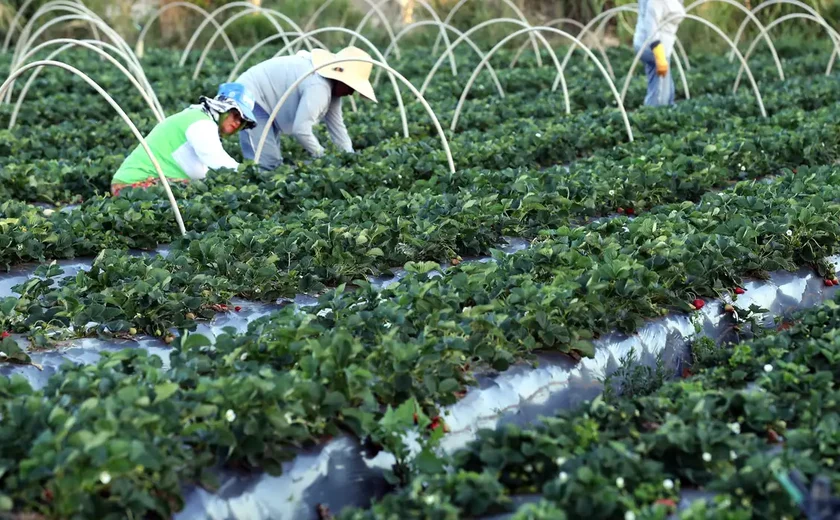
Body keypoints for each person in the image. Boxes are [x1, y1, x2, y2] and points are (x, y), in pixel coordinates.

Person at [235, 46, 377, 171]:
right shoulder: (318, 87)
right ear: (340, 79)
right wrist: (323, 156)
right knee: (265, 164)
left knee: (271, 161)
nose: (351, 93)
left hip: (267, 100)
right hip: (250, 96)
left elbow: (337, 127)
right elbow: (301, 130)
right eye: (351, 86)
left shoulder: (332, 89)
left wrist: (349, 157)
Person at [110, 83, 257, 196]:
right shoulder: (201, 123)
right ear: (223, 109)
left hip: (136, 184)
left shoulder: (199, 117)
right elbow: (217, 161)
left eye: (242, 121)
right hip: (132, 186)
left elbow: (200, 170)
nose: (237, 122)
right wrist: (250, 175)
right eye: (235, 115)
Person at [633, 0, 686, 107]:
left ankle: (662, 112)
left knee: (665, 89)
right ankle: (653, 118)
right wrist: (658, 52)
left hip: (654, 45)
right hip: (654, 47)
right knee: (660, 95)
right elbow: (651, 24)